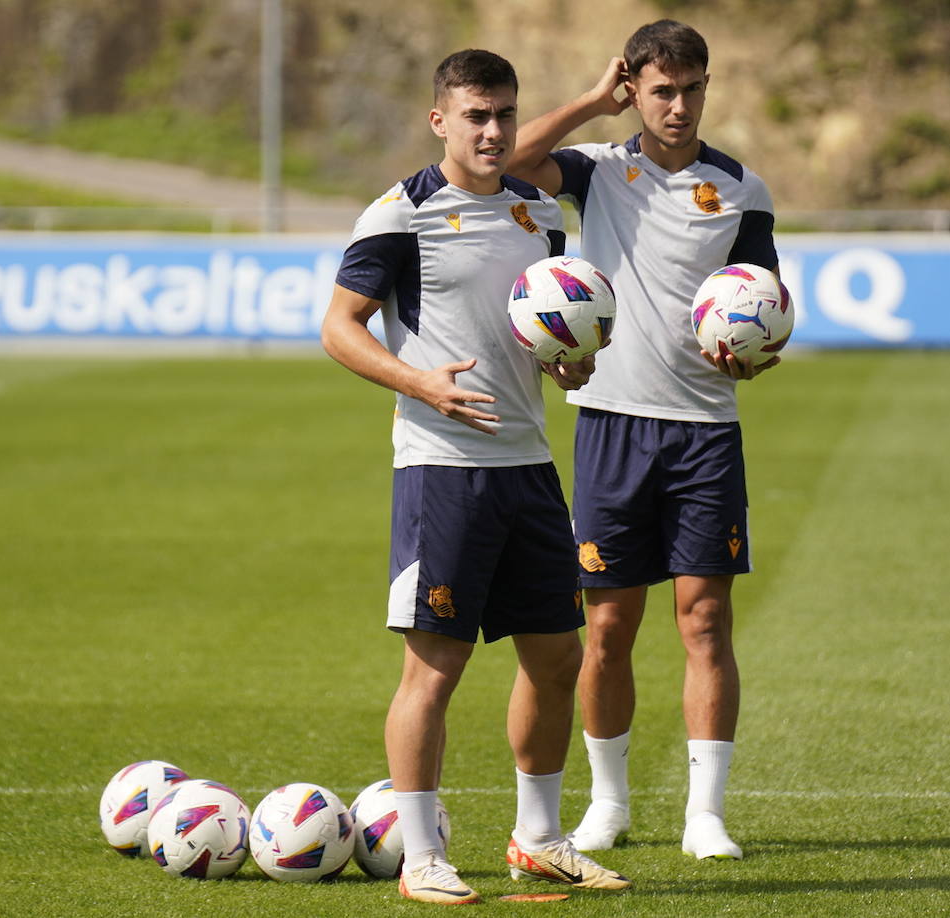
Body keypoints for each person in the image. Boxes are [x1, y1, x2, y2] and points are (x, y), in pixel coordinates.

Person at [320, 49, 631, 905]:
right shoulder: (398, 215)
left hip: (529, 466)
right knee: (436, 668)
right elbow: (339, 329)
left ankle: (540, 838)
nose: (492, 131)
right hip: (443, 470)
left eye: (502, 115)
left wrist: (568, 364)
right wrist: (419, 382)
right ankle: (421, 856)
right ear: (440, 121)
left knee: (557, 658)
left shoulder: (539, 212)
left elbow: (540, 337)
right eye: (475, 116)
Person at [508, 19, 782, 861]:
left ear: (707, 87)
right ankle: (610, 804)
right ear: (637, 88)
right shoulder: (598, 172)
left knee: (704, 622)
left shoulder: (741, 189)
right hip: (612, 428)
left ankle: (705, 815)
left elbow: (766, 299)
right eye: (662, 90)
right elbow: (507, 163)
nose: (678, 105)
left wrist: (757, 354)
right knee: (608, 629)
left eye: (692, 89)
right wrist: (592, 103)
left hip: (706, 432)